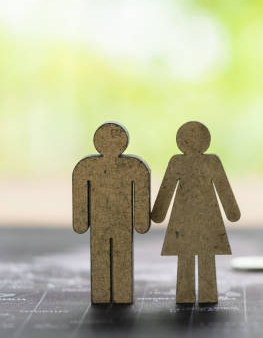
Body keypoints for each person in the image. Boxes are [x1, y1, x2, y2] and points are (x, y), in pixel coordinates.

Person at [152, 121, 241, 304]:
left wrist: (158, 214)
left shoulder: (199, 162)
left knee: (197, 254)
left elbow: (222, 186)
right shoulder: (192, 162)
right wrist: (232, 212)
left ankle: (193, 294)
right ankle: (196, 294)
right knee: (199, 254)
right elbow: (167, 188)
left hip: (190, 216)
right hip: (198, 217)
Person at [72, 122, 151, 304]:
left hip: (121, 222)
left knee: (121, 256)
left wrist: (140, 221)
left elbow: (141, 192)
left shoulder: (134, 166)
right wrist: (81, 221)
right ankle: (103, 295)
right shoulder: (86, 167)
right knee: (100, 256)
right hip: (101, 222)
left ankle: (121, 294)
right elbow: (80, 195)